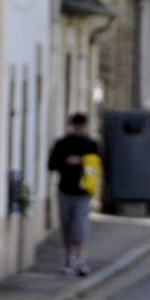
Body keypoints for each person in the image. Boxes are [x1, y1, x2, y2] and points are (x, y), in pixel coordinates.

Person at [48, 112, 101, 277]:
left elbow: (99, 165)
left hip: (83, 191)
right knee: (67, 226)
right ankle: (70, 258)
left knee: (80, 225)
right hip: (65, 189)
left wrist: (83, 162)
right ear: (73, 126)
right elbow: (51, 165)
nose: (79, 129)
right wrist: (66, 161)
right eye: (77, 126)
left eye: (82, 126)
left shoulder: (91, 145)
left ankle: (81, 258)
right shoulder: (62, 144)